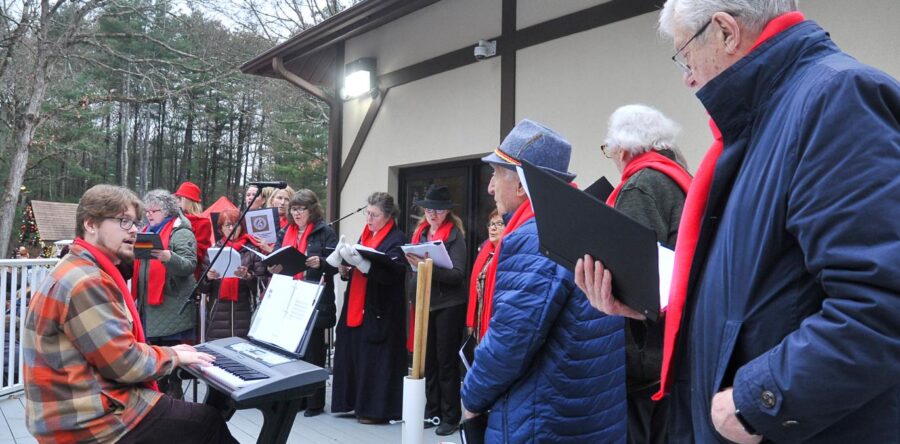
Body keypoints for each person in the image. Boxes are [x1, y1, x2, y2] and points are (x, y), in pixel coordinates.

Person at [579, 2, 900, 442]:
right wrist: (656, 306)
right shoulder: (762, 123)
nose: (687, 77)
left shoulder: (835, 100)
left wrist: (760, 398)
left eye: (685, 57)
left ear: (726, 32)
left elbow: (880, 304)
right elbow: (765, 290)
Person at [22, 184, 236, 444]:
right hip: (88, 420)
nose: (135, 229)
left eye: (135, 222)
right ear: (91, 225)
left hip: (75, 406)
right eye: (124, 222)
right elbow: (126, 364)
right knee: (206, 422)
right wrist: (175, 356)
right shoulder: (87, 281)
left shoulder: (76, 266)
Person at [460, 119, 627, 443]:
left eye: (496, 175)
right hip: (583, 414)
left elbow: (509, 341)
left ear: (522, 185)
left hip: (540, 418)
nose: (490, 188)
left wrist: (471, 398)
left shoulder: (536, 237)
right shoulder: (585, 225)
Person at [591, 104, 693, 444]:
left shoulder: (640, 186)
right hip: (674, 345)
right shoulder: (676, 176)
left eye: (610, 150)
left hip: (645, 354)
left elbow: (635, 277)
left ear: (623, 147)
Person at [330, 192, 407, 424]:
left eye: (374, 215)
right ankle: (353, 402)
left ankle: (375, 410)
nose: (369, 219)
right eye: (367, 213)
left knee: (375, 358)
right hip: (358, 303)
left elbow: (393, 273)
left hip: (381, 308)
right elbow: (359, 266)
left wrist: (363, 264)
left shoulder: (397, 239)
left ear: (388, 216)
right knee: (354, 351)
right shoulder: (366, 235)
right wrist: (347, 268)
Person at [404, 184, 468, 436]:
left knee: (446, 361)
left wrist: (426, 265)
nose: (433, 214)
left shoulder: (454, 236)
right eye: (429, 209)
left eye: (439, 210)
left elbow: (458, 274)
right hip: (425, 303)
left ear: (447, 213)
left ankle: (450, 416)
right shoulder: (419, 234)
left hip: (448, 304)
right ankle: (432, 412)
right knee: (427, 360)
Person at [267, 189, 337, 417]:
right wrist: (273, 267)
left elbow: (337, 263)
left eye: (301, 209)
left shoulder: (325, 232)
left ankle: (315, 402)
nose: (296, 213)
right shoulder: (285, 231)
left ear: (312, 210)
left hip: (315, 297)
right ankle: (297, 399)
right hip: (289, 295)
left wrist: (322, 262)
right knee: (293, 352)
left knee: (314, 351)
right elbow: (277, 257)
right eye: (294, 209)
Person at [132, 189, 198, 399]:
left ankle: (172, 406)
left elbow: (189, 266)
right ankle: (159, 404)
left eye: (154, 210)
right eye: (147, 211)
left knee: (170, 366)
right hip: (148, 306)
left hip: (171, 309)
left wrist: (168, 257)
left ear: (167, 210)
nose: (149, 214)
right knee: (155, 363)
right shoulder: (146, 231)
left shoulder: (181, 232)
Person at [201, 208, 265, 340]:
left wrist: (247, 276)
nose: (232, 228)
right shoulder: (213, 250)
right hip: (217, 313)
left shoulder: (252, 250)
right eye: (227, 225)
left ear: (241, 227)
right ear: (220, 228)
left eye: (235, 224)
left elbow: (262, 284)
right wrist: (208, 278)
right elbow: (201, 287)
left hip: (244, 311)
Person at [466, 208, 503, 343]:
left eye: (499, 224)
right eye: (491, 224)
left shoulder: (508, 254)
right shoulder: (485, 251)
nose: (492, 228)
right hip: (481, 318)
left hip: (496, 318)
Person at [174, 181, 213, 281]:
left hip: (190, 274)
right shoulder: (174, 219)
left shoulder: (203, 223)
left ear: (185, 200)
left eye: (179, 199)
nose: (176, 202)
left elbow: (200, 253)